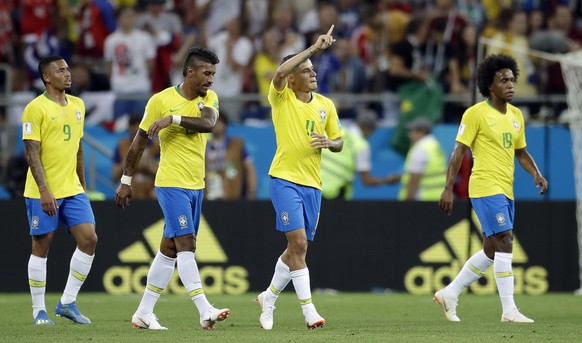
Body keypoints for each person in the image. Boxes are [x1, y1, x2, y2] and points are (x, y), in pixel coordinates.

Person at [114, 47, 230, 331]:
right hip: (171, 182)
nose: (211, 80)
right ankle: (204, 310)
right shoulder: (161, 100)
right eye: (206, 73)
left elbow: (208, 124)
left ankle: (143, 313)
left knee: (169, 250)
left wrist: (173, 120)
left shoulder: (208, 99)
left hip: (196, 184)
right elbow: (140, 141)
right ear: (190, 71)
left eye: (213, 74)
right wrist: (126, 181)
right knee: (187, 244)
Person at [435, 54, 548, 323]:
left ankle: (450, 293)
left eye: (512, 79)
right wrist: (448, 187)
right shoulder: (475, 113)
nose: (510, 84)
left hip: (506, 189)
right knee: (506, 239)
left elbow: (521, 152)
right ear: (489, 85)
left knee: (491, 250)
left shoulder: (517, 115)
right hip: (485, 186)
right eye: (503, 80)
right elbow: (458, 150)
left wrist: (536, 174)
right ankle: (509, 310)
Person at [255, 25, 343, 330]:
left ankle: (269, 297)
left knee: (297, 249)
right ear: (292, 77)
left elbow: (339, 141)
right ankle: (309, 311)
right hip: (284, 179)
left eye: (313, 69)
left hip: (313, 184)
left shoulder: (325, 106)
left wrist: (330, 143)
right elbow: (279, 71)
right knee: (299, 242)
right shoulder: (282, 98)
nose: (313, 73)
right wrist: (314, 48)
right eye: (306, 70)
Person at [22, 55, 98, 325]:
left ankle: (67, 302)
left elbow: (78, 148)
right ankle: (38, 310)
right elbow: (31, 151)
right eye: (60, 70)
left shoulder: (78, 105)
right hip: (42, 190)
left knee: (89, 239)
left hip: (73, 188)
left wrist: (83, 186)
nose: (68, 74)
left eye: (67, 69)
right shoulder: (35, 108)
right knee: (42, 245)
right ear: (47, 77)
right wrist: (44, 190)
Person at [321, 109, 394, 200]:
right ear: (369, 129)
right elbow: (367, 180)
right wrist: (387, 180)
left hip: (314, 186)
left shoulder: (337, 130)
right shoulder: (362, 146)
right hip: (336, 193)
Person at [391, 117, 447, 201]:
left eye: (412, 131)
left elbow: (414, 178)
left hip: (421, 198)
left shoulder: (420, 149)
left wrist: (408, 202)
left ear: (422, 131)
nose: (409, 134)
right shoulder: (434, 145)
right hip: (437, 197)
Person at [205, 114, 257, 200]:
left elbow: (250, 168)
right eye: (212, 122)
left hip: (232, 194)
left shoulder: (237, 145)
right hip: (208, 194)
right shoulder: (204, 146)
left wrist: (251, 191)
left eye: (218, 122)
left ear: (224, 125)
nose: (215, 125)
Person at [111, 115, 159, 199]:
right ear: (129, 128)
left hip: (151, 189)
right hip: (130, 186)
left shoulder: (156, 147)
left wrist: (147, 166)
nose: (137, 130)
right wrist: (129, 161)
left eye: (140, 127)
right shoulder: (122, 145)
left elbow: (162, 173)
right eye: (134, 126)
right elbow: (114, 176)